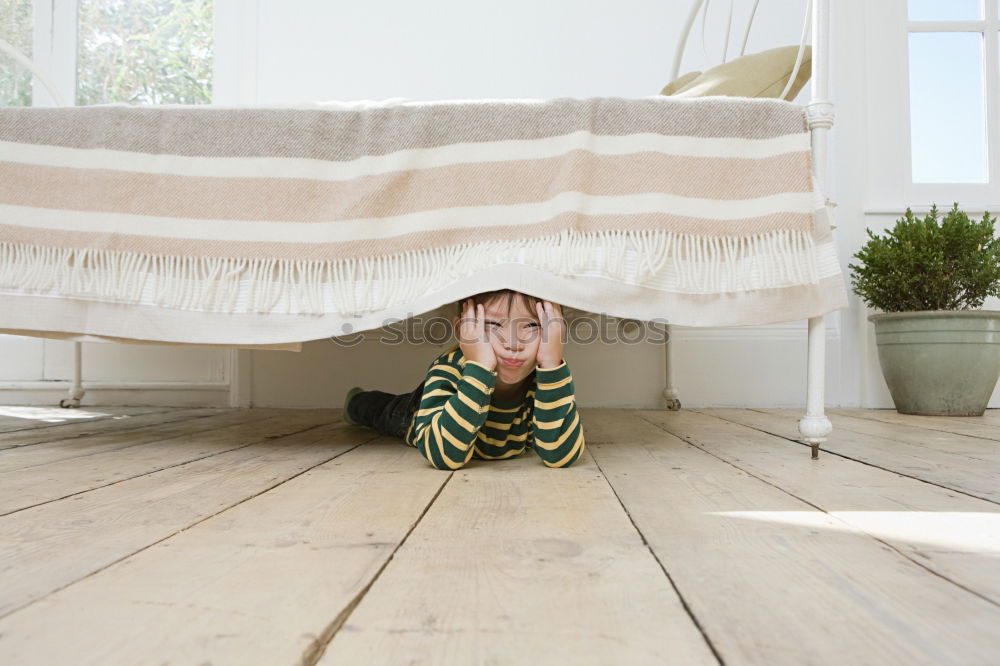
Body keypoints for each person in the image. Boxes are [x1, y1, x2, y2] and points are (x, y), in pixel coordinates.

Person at [342, 289, 585, 469]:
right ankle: (356, 401)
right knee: (383, 410)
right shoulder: (448, 370)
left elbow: (561, 455)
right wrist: (479, 366)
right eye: (492, 324)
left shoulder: (549, 376)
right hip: (421, 415)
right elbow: (444, 456)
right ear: (462, 330)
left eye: (532, 325)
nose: (513, 342)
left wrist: (552, 364)